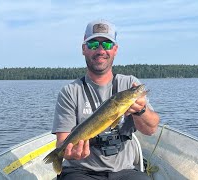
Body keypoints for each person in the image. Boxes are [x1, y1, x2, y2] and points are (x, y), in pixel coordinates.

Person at [52, 19, 160, 180]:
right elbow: (62, 142)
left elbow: (151, 129)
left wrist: (141, 111)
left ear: (115, 50)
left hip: (124, 170)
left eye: (107, 45)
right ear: (84, 49)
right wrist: (69, 153)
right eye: (93, 44)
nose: (101, 50)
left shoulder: (129, 83)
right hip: (81, 171)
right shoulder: (70, 92)